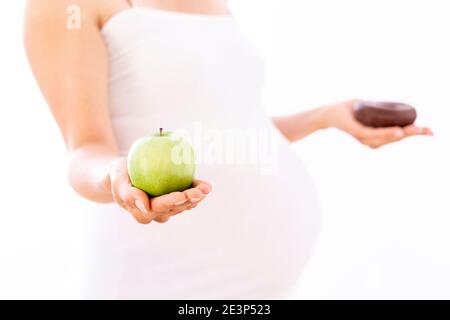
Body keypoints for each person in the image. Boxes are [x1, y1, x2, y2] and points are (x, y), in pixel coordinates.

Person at [24, 0, 432, 299]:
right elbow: (85, 149)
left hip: (264, 289)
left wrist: (325, 116)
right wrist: (115, 176)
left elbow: (232, 127)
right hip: (163, 279)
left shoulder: (214, 5)